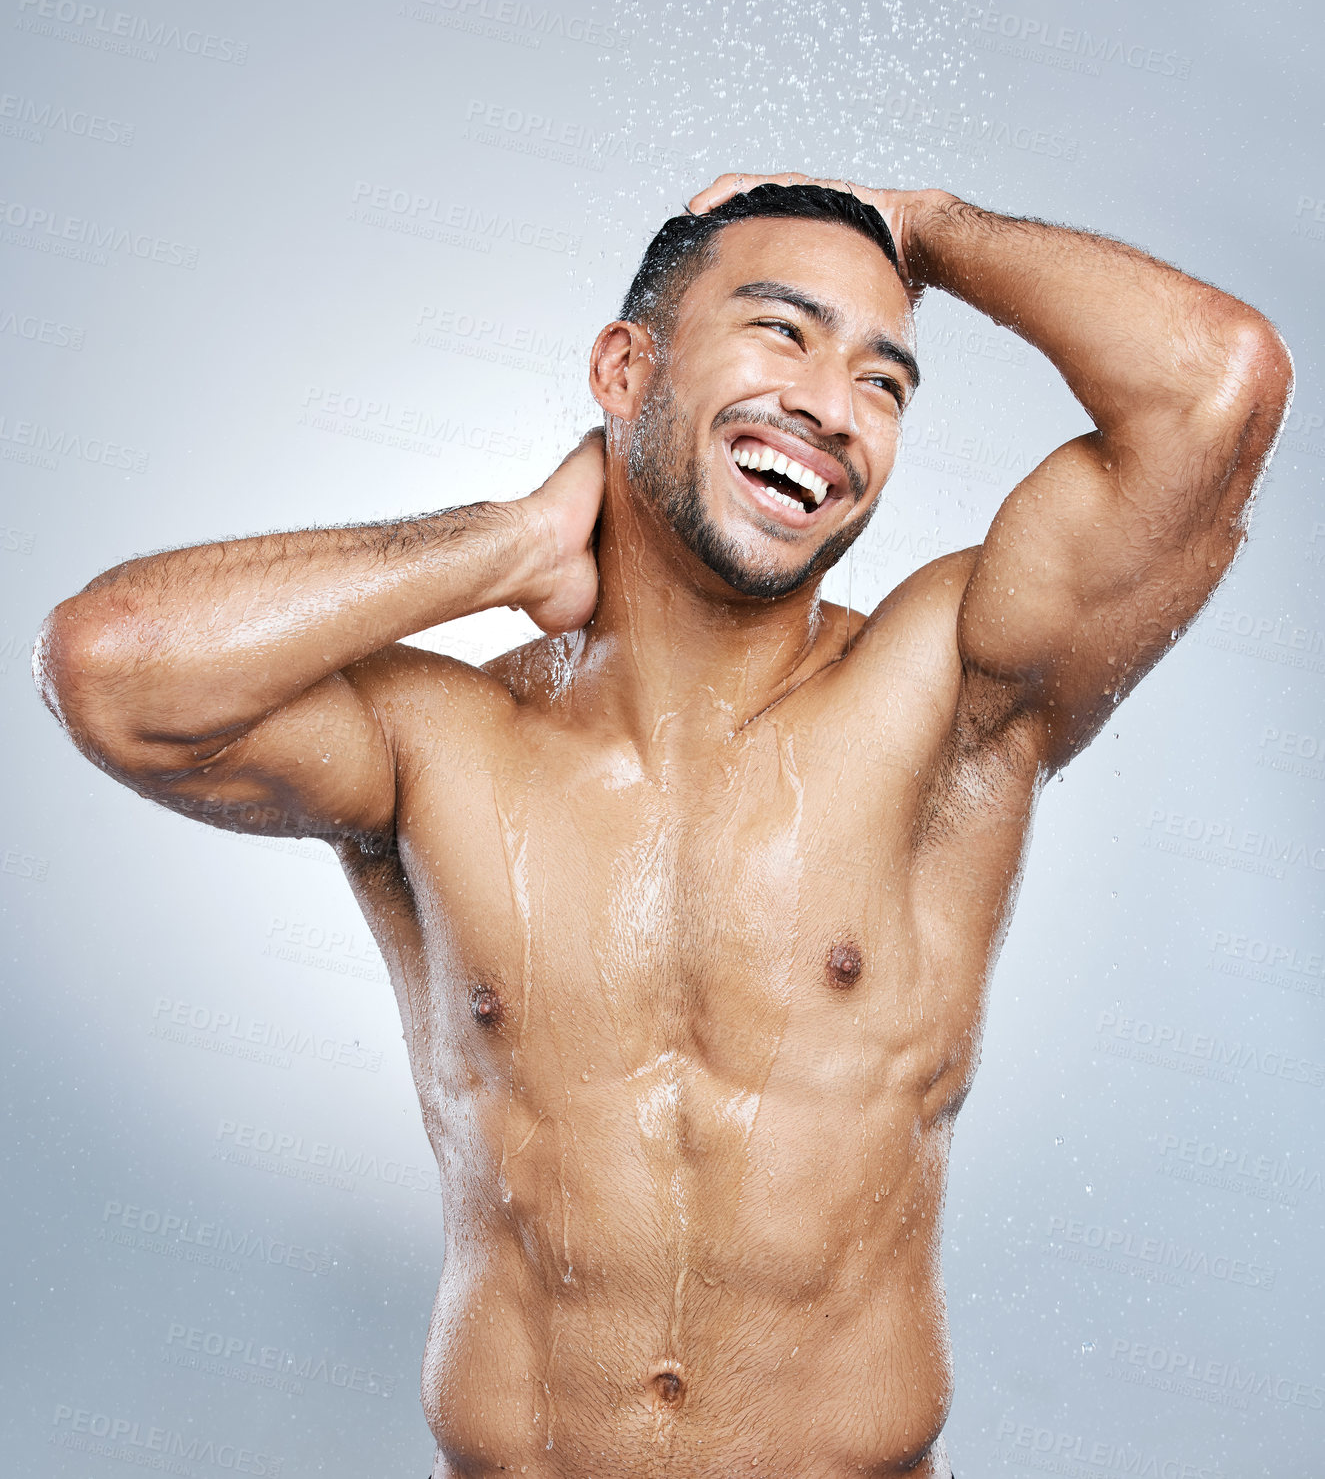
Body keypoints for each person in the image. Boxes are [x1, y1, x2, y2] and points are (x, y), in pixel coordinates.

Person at [35, 172, 1291, 1478]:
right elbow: (114, 667)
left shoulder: (947, 700)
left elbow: (1218, 385)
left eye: (883, 379)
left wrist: (919, 229)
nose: (828, 406)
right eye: (783, 332)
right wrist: (504, 542)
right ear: (624, 370)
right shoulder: (437, 742)